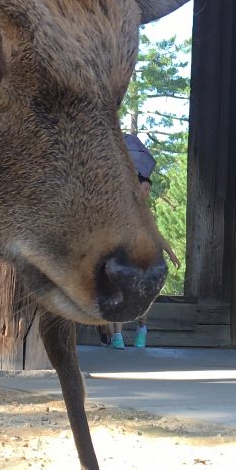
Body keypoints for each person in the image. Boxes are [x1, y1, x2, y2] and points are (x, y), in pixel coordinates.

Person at [107, 133, 159, 349]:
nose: (147, 192)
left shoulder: (143, 209)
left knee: (143, 293)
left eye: (149, 190)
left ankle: (141, 330)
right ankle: (118, 336)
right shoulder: (122, 202)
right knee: (118, 293)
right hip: (122, 251)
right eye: (145, 188)